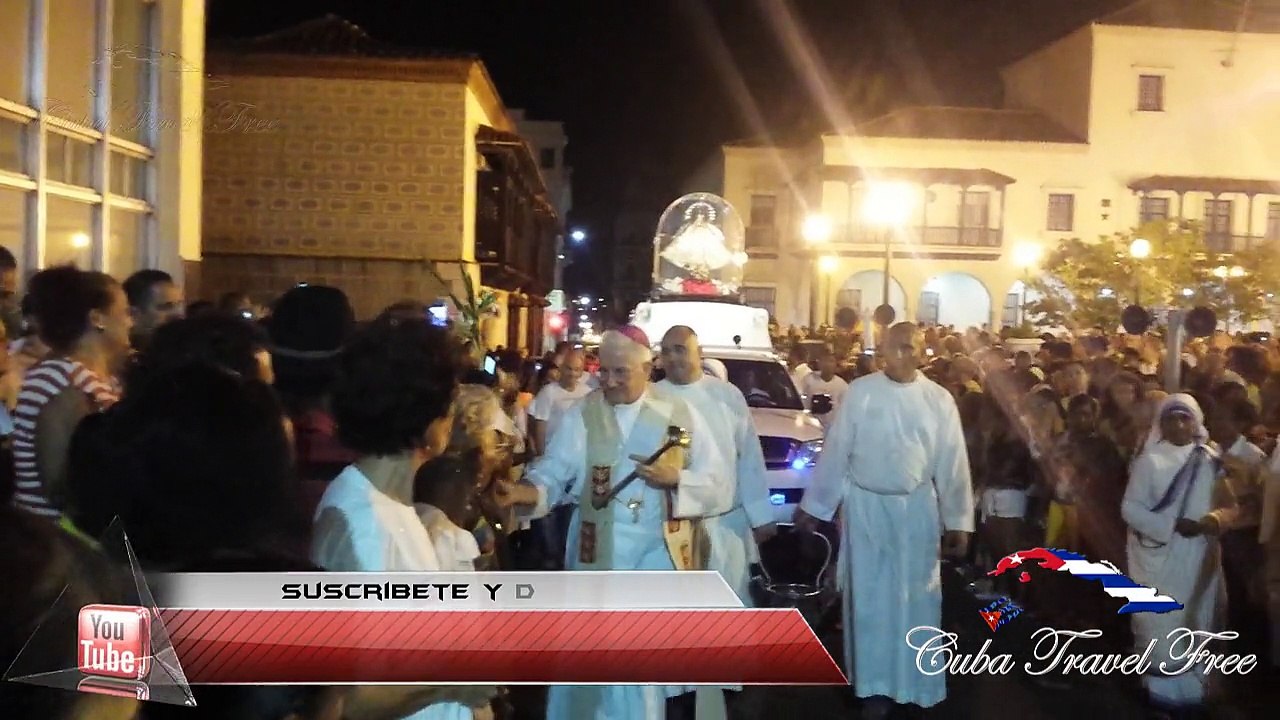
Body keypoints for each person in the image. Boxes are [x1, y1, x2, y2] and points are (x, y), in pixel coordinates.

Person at [508, 326, 732, 720]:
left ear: (647, 368)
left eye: (620, 373)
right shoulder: (585, 413)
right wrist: (522, 493)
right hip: (596, 552)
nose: (608, 382)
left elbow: (719, 482)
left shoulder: (679, 415)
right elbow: (555, 473)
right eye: (605, 371)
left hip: (655, 557)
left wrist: (676, 479)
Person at [794, 322, 973, 719]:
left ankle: (916, 683)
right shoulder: (861, 393)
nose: (902, 355)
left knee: (917, 600)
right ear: (882, 352)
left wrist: (958, 519)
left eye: (910, 348)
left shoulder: (939, 399)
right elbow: (838, 451)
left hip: (917, 514)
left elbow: (953, 462)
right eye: (895, 348)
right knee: (870, 601)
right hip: (867, 511)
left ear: (923, 352)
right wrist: (816, 505)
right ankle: (873, 687)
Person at [1122, 394, 1228, 713]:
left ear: (1196, 422)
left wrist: (1213, 520)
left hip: (1198, 556)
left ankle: (1193, 694)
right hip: (1158, 558)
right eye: (1171, 418)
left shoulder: (1209, 459)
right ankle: (1161, 696)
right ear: (1161, 424)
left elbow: (1231, 504)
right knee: (1160, 625)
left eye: (1185, 418)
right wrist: (1170, 526)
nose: (1178, 424)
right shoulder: (1149, 461)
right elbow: (1130, 508)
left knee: (1196, 621)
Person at [655, 325, 775, 604]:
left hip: (724, 524)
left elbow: (749, 458)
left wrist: (761, 516)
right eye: (666, 351)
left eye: (680, 350)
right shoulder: (651, 397)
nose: (673, 358)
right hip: (671, 528)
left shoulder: (727, 395)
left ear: (700, 353)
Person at [11, 267, 130, 519]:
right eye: (124, 312)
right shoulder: (61, 380)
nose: (130, 322)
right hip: (56, 540)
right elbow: (59, 484)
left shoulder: (89, 376)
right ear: (97, 318)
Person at [122, 268, 184, 352]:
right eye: (165, 307)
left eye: (179, 305)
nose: (178, 314)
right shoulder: (121, 359)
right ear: (134, 315)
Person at [800, 350, 849, 426]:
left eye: (831, 361)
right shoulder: (808, 380)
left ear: (836, 364)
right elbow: (802, 400)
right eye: (824, 361)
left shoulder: (842, 385)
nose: (827, 364)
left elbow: (845, 408)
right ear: (819, 363)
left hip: (832, 426)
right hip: (811, 424)